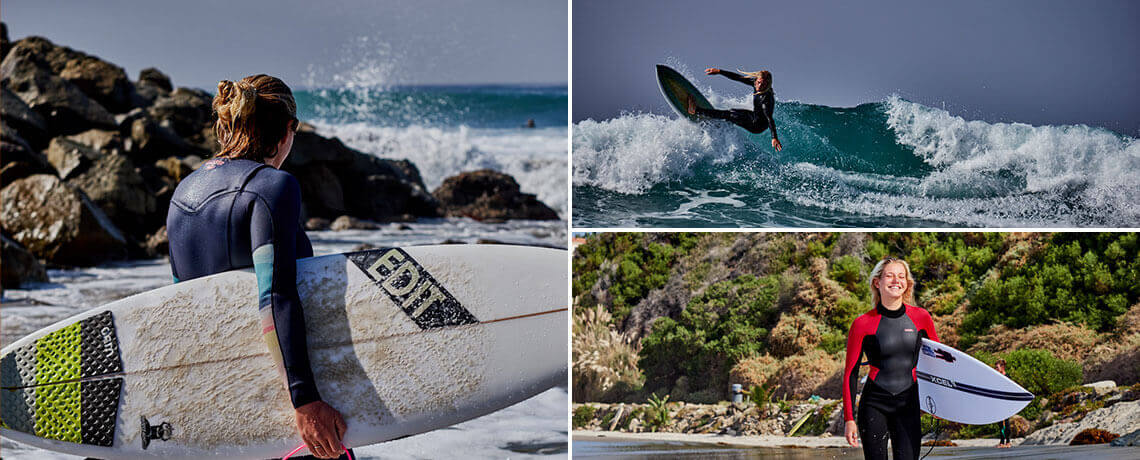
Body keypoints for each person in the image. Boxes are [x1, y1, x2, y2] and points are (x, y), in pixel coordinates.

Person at [166, 75, 350, 460]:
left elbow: (181, 306)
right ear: (287, 130)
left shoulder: (184, 192)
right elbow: (275, 297)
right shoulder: (273, 187)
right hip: (282, 410)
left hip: (217, 407)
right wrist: (306, 402)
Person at [842, 257, 939, 460]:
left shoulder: (922, 318)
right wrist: (849, 419)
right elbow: (851, 373)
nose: (896, 280)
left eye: (901, 276)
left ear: (907, 283)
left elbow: (938, 363)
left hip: (909, 404)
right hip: (874, 405)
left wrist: (940, 403)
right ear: (877, 282)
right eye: (890, 275)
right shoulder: (862, 324)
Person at [686, 67, 783, 152]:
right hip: (754, 116)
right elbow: (738, 77)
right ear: (756, 80)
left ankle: (695, 110)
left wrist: (774, 137)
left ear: (768, 84)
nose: (760, 86)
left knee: (729, 114)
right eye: (759, 82)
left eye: (764, 84)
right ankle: (721, 120)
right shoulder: (755, 83)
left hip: (757, 126)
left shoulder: (766, 99)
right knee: (733, 112)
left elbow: (769, 118)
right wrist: (719, 71)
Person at [995, 359, 1012, 448]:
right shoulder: (996, 377)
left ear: (1002, 367)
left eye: (997, 368)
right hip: (999, 402)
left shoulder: (1007, 377)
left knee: (1006, 422)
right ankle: (1002, 441)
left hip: (1006, 402)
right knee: (1000, 423)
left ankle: (1008, 442)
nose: (996, 369)